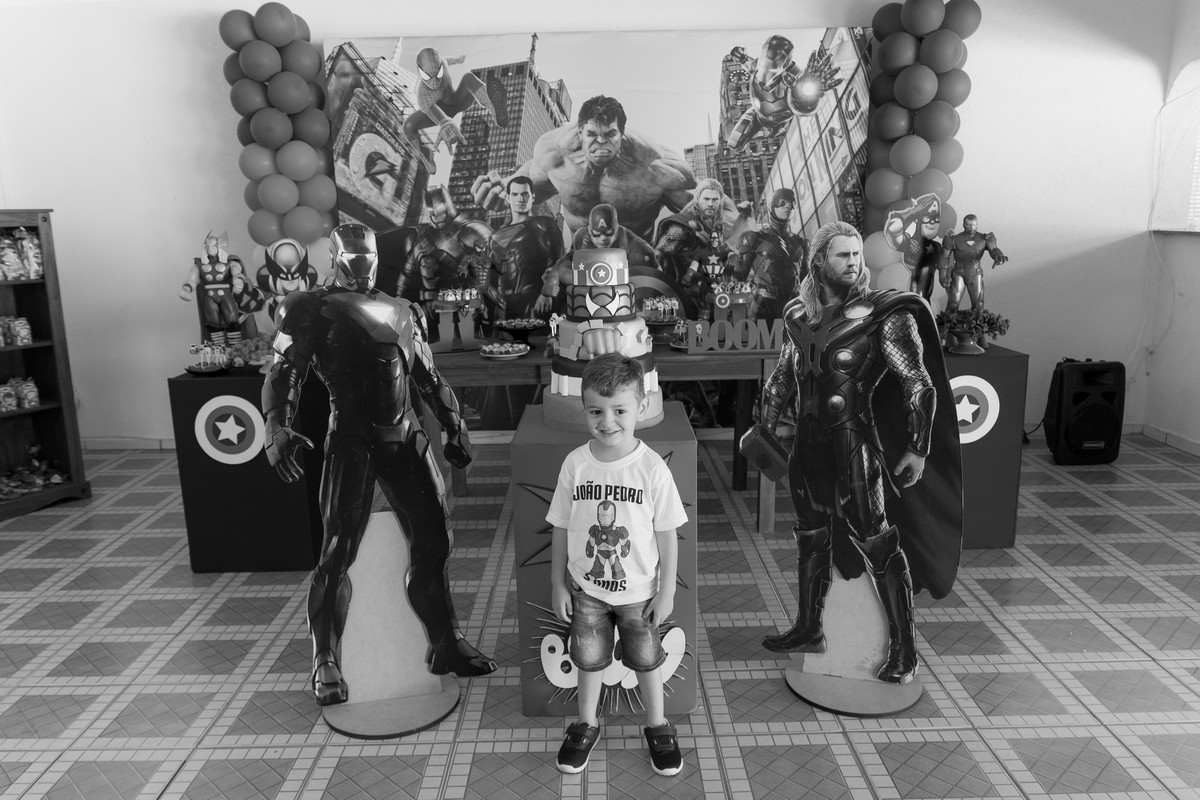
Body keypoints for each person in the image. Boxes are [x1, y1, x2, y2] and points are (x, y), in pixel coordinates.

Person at [262, 223, 496, 707]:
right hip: (352, 438)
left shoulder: (403, 310)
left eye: (368, 256)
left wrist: (454, 424)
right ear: (334, 257)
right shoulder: (310, 308)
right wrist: (276, 425)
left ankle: (445, 643)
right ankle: (325, 659)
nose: (363, 265)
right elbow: (284, 372)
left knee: (435, 544)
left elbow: (428, 376)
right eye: (353, 256)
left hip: (405, 437)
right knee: (337, 552)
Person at [755, 221, 961, 685]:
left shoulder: (884, 314)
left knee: (878, 542)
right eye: (842, 255)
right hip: (808, 443)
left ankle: (904, 649)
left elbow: (918, 384)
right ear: (818, 262)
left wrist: (918, 449)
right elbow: (784, 376)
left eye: (856, 254)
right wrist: (764, 426)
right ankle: (810, 628)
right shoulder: (797, 314)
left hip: (854, 440)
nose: (853, 262)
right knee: (810, 535)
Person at [546, 354, 689, 776]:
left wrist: (666, 591)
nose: (607, 422)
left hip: (639, 594)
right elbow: (560, 526)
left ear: (640, 408)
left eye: (619, 411)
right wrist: (557, 583)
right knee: (588, 659)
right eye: (596, 411)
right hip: (586, 591)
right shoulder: (575, 464)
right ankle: (585, 723)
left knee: (647, 660)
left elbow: (668, 533)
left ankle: (658, 725)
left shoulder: (652, 469)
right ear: (583, 409)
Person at [471, 95, 695, 241]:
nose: (600, 142)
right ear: (580, 132)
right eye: (592, 134)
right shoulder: (556, 154)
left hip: (636, 261)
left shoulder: (654, 166)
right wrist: (505, 190)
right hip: (579, 258)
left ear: (621, 134)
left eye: (610, 134)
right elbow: (530, 180)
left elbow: (698, 204)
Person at [401, 48, 507, 174]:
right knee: (408, 126)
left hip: (458, 102)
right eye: (427, 77)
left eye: (438, 74)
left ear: (440, 66)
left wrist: (458, 60)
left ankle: (493, 106)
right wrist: (445, 123)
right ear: (420, 72)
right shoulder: (422, 94)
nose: (434, 82)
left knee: (468, 78)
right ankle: (424, 155)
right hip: (440, 112)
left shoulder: (443, 64)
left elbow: (448, 60)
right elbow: (432, 110)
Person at [539, 203, 659, 314]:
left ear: (616, 228)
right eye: (596, 233)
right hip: (587, 301)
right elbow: (565, 263)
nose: (602, 238)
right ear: (589, 230)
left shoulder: (640, 252)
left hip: (624, 306)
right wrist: (549, 285)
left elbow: (655, 286)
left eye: (608, 232)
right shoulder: (582, 236)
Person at [725, 38, 842, 150]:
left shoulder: (795, 79)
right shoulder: (761, 68)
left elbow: (804, 105)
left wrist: (809, 92)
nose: (771, 63)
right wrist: (741, 58)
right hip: (760, 110)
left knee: (743, 136)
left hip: (775, 116)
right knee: (736, 141)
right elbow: (751, 66)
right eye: (770, 58)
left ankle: (774, 129)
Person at [653, 178, 746, 320]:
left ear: (720, 201)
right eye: (706, 199)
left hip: (710, 296)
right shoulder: (680, 226)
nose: (710, 204)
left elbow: (712, 250)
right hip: (685, 298)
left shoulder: (715, 224)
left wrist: (730, 254)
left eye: (715, 199)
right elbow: (659, 257)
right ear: (697, 199)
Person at [486, 175, 565, 320]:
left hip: (535, 300)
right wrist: (487, 304)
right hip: (505, 304)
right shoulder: (495, 235)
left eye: (525, 194)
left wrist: (546, 293)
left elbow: (558, 262)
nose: (520, 199)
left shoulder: (543, 224)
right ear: (508, 198)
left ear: (533, 197)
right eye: (515, 194)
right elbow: (491, 274)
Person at [732, 188, 809, 320]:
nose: (788, 207)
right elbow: (738, 277)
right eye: (782, 202)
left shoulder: (801, 242)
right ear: (771, 207)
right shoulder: (753, 238)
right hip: (762, 309)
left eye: (792, 203)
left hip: (794, 308)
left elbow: (807, 281)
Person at [940, 213, 1008, 313]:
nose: (972, 228)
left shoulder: (984, 238)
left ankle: (975, 322)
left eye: (974, 225)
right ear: (964, 225)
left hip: (975, 273)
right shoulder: (954, 239)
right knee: (953, 304)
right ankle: (948, 322)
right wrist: (942, 275)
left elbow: (994, 249)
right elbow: (944, 257)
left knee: (979, 305)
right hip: (959, 272)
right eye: (969, 225)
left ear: (977, 224)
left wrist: (998, 256)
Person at [883, 193, 943, 302]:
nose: (932, 222)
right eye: (927, 217)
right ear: (918, 219)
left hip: (927, 298)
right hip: (911, 293)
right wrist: (913, 212)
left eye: (936, 218)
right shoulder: (910, 242)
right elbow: (893, 230)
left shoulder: (937, 247)